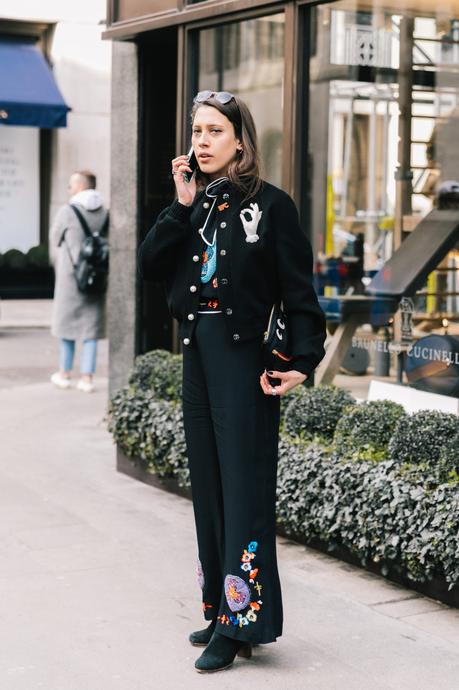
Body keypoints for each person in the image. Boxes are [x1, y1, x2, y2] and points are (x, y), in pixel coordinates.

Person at [138, 91, 326, 673]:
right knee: (211, 492)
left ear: (240, 140)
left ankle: (241, 623)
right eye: (196, 130)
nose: (202, 140)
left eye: (214, 131)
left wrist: (303, 360)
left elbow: (299, 292)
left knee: (244, 492)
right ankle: (224, 609)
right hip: (198, 356)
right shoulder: (193, 204)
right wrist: (179, 205)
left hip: (246, 364)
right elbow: (149, 266)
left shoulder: (272, 207)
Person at [49, 170, 108, 393]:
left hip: (70, 276)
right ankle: (87, 378)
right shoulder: (104, 212)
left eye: (71, 185)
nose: (69, 189)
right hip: (97, 276)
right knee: (90, 328)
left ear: (81, 187)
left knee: (67, 326)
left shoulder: (67, 211)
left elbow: (54, 238)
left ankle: (64, 374)